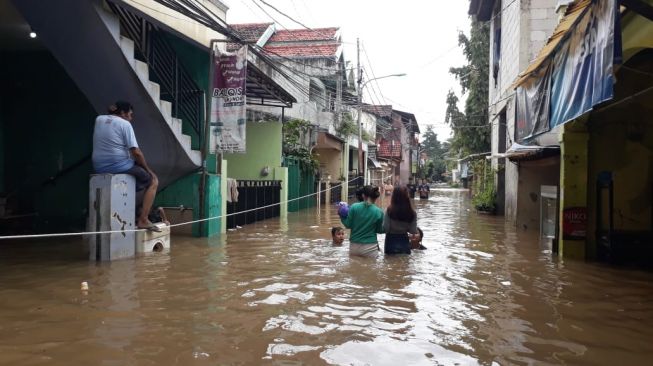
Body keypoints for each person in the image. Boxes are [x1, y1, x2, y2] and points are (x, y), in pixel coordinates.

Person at [92, 101, 160, 231]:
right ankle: (143, 219)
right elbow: (136, 152)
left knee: (136, 176)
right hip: (118, 166)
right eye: (130, 114)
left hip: (98, 166)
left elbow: (110, 112)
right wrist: (148, 170)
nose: (131, 118)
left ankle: (132, 211)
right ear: (123, 113)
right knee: (153, 181)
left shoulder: (99, 119)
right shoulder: (125, 124)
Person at [340, 185, 384, 257]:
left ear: (363, 195)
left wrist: (342, 216)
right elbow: (379, 230)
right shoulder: (379, 212)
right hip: (370, 247)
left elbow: (348, 225)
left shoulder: (354, 207)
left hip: (354, 247)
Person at [383, 186, 418, 254]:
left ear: (394, 196)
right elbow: (413, 231)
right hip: (404, 242)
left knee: (390, 262)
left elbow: (386, 229)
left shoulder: (389, 210)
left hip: (390, 242)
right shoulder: (412, 213)